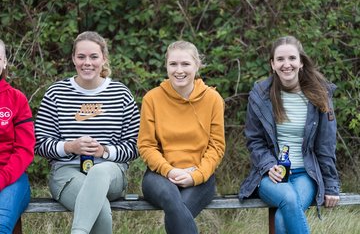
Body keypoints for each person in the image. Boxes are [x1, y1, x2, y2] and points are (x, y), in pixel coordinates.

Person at [35, 31, 140, 234]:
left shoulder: (121, 94)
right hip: (67, 173)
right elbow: (39, 143)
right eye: (81, 57)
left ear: (104, 59)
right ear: (73, 59)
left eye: (94, 56)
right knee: (100, 211)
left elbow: (135, 145)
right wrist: (69, 147)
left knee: (98, 171)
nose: (87, 63)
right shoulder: (56, 93)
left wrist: (105, 151)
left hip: (110, 173)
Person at [239, 36, 340, 234]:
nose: (287, 65)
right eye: (280, 59)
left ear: (301, 62)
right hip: (270, 176)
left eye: (292, 58)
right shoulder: (260, 95)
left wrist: (331, 185)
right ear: (272, 64)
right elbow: (254, 140)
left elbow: (326, 145)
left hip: (306, 174)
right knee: (289, 199)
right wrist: (269, 166)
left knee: (282, 218)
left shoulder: (320, 95)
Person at [137, 40, 226, 234]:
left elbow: (216, 146)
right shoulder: (152, 99)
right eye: (173, 64)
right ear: (166, 66)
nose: (179, 70)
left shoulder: (213, 100)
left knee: (178, 212)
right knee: (172, 201)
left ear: (197, 66)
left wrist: (195, 176)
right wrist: (169, 171)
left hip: (200, 175)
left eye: (185, 64)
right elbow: (146, 146)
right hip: (159, 175)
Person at [0, 39, 35, 233]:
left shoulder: (16, 99)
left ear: (4, 62)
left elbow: (24, 149)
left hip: (11, 177)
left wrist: (3, 178)